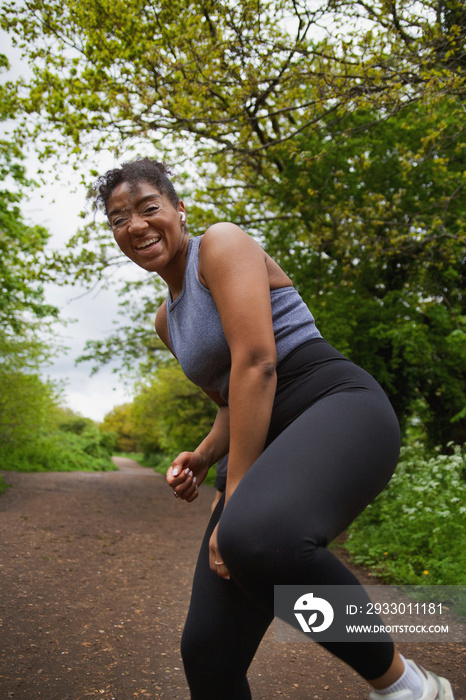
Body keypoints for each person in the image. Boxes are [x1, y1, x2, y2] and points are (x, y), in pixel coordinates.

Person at [92, 157, 455, 700]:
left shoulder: (221, 243)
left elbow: (259, 362)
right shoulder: (168, 320)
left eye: (149, 207)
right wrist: (204, 453)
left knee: (253, 536)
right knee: (208, 655)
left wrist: (233, 494)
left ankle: (407, 687)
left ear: (178, 210)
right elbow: (230, 402)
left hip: (335, 405)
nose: (137, 225)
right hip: (264, 436)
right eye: (120, 219)